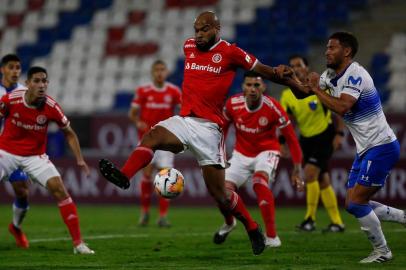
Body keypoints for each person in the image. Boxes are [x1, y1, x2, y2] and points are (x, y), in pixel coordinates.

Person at [99, 11, 304, 255]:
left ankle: (251, 226)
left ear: (217, 29)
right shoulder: (188, 46)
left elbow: (264, 71)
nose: (197, 35)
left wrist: (291, 81)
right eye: (196, 29)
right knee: (152, 137)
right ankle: (124, 176)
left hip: (209, 130)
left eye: (204, 30)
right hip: (185, 120)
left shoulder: (231, 52)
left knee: (221, 195)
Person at [296, 32, 404, 263]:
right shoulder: (329, 75)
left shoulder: (355, 74)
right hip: (366, 149)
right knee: (352, 204)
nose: (326, 51)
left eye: (332, 48)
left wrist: (316, 89)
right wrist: (288, 78)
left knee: (357, 202)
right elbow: (305, 91)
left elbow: (343, 106)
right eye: (326, 47)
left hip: (381, 146)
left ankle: (383, 252)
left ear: (346, 51)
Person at [0, 66, 94, 254]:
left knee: (60, 190)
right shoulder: (11, 99)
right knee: (22, 193)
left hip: (35, 156)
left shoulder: (51, 107)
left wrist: (80, 159)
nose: (41, 85)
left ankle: (78, 244)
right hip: (6, 152)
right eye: (36, 81)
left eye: (44, 81)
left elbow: (69, 134)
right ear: (27, 84)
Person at [213, 71, 303, 248]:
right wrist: (220, 155)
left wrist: (297, 168)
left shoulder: (273, 107)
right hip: (241, 154)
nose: (252, 89)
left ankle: (272, 237)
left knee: (259, 183)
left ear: (263, 87)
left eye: (256, 85)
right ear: (243, 87)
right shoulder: (233, 104)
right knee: (221, 191)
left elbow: (291, 138)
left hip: (267, 151)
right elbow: (221, 130)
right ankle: (230, 223)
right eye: (249, 85)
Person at [280, 55, 345, 233]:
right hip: (306, 139)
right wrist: (282, 143)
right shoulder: (287, 94)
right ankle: (337, 222)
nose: (295, 68)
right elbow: (286, 122)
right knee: (323, 180)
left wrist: (339, 133)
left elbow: (337, 110)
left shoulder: (320, 87)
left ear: (306, 67)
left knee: (309, 175)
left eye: (298, 65)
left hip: (325, 135)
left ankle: (309, 219)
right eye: (292, 66)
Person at [128, 60, 181, 227]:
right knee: (146, 175)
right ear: (152, 72)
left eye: (162, 70)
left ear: (166, 72)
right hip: (148, 140)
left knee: (166, 178)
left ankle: (163, 216)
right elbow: (133, 113)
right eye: (156, 70)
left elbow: (183, 111)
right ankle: (144, 213)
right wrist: (137, 122)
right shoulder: (143, 90)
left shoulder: (173, 91)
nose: (159, 73)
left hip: (166, 142)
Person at [0, 54, 30, 248]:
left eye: (18, 68)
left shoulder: (25, 92)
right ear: (3, 69)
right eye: (11, 67)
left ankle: (16, 227)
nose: (15, 71)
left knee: (22, 191)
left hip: (12, 149)